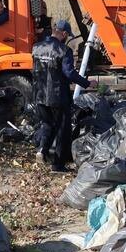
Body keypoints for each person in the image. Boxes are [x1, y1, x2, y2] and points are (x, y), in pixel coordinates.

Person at [32, 20, 91, 172]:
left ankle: (42, 151)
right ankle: (57, 165)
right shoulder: (64, 50)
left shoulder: (36, 48)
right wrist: (86, 83)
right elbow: (69, 73)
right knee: (62, 130)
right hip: (57, 97)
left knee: (47, 124)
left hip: (39, 94)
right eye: (67, 35)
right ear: (64, 34)